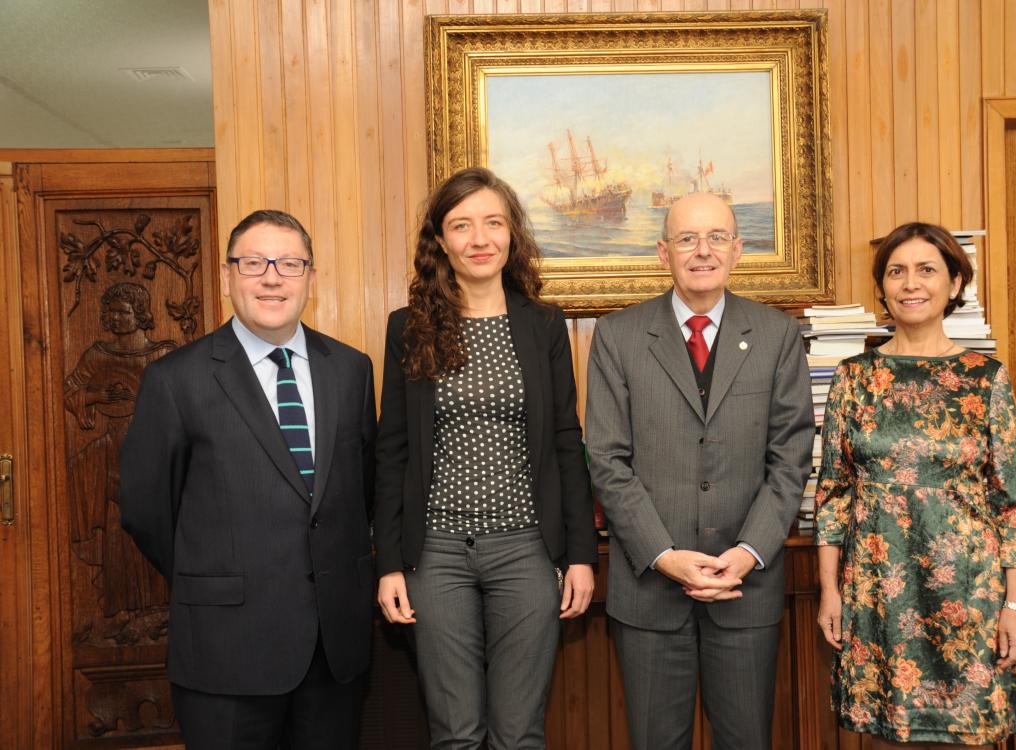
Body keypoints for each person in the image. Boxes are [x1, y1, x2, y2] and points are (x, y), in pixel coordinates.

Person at [119, 209, 378, 749]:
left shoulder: (351, 370)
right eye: (254, 262)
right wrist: (215, 577)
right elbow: (147, 511)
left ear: (310, 276)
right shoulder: (175, 379)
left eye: (289, 262)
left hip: (333, 653)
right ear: (227, 275)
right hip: (225, 651)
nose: (272, 276)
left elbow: (364, 491)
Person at [374, 166, 597, 749]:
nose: (480, 238)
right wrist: (389, 564)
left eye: (493, 223)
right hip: (436, 555)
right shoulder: (409, 328)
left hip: (525, 550)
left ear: (512, 234)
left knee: (519, 733)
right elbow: (392, 452)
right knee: (455, 734)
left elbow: (565, 443)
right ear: (440, 240)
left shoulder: (543, 324)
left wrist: (580, 556)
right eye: (462, 225)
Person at [585, 192, 814, 750]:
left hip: (746, 586)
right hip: (649, 591)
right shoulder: (617, 337)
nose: (702, 251)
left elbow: (790, 457)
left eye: (716, 237)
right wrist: (664, 556)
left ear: (738, 249)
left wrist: (747, 552)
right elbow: (607, 460)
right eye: (687, 239)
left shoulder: (778, 336)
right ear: (664, 252)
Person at [814, 222, 1016, 747]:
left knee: (970, 733)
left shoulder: (986, 378)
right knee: (890, 734)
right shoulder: (852, 377)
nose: (910, 284)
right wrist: (830, 591)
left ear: (955, 284)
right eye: (897, 271)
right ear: (883, 286)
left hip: (969, 591)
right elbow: (833, 495)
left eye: (926, 270)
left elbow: (1013, 503)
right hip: (877, 590)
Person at [65, 282, 176, 617]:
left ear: (139, 314)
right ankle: (120, 607)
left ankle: (157, 607)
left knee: (154, 517)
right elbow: (70, 390)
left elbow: (185, 394)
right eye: (110, 312)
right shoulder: (98, 354)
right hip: (114, 444)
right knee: (116, 521)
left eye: (123, 312)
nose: (115, 318)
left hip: (155, 450)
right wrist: (97, 394)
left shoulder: (163, 353)